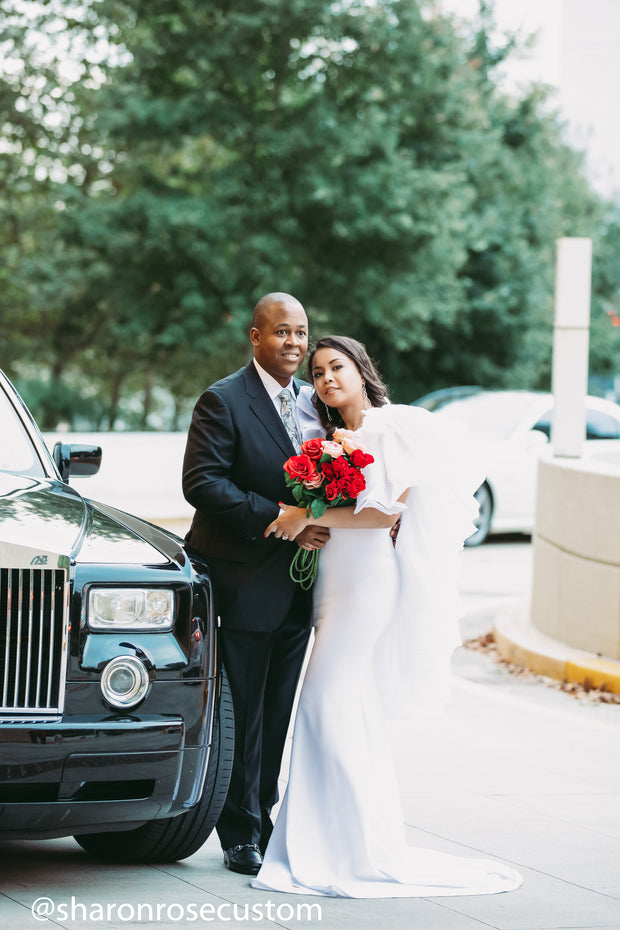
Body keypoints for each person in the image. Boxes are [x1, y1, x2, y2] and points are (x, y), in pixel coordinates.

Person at [250, 335, 523, 898]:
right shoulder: (330, 439)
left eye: (338, 367)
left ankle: (345, 850)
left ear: (361, 370)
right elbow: (346, 510)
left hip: (368, 583)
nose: (327, 378)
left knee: (324, 704)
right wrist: (313, 523)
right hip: (332, 583)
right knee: (349, 710)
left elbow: (380, 514)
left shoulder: (385, 426)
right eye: (320, 371)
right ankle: (345, 842)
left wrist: (300, 517)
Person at [182, 292, 328, 877]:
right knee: (243, 710)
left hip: (299, 586)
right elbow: (202, 483)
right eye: (281, 333)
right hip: (243, 579)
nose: (293, 343)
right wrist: (278, 517)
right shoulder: (223, 400)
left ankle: (263, 818)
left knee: (278, 709)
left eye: (300, 333)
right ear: (255, 337)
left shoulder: (315, 407)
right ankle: (238, 830)